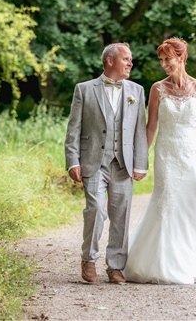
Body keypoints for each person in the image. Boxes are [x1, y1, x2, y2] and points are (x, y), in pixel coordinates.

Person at [123, 38, 196, 284]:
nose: (164, 64)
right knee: (167, 201)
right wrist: (139, 159)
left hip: (194, 154)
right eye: (162, 60)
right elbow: (151, 127)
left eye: (168, 59)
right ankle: (165, 262)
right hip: (167, 154)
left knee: (195, 205)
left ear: (181, 57)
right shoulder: (157, 89)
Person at [65, 42, 149, 284]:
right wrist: (73, 161)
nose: (130, 63)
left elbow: (139, 132)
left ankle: (115, 266)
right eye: (126, 59)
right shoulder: (84, 89)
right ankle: (88, 259)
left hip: (123, 163)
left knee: (121, 214)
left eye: (131, 59)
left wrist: (140, 163)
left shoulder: (137, 91)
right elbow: (74, 129)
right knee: (96, 210)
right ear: (110, 60)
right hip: (93, 162)